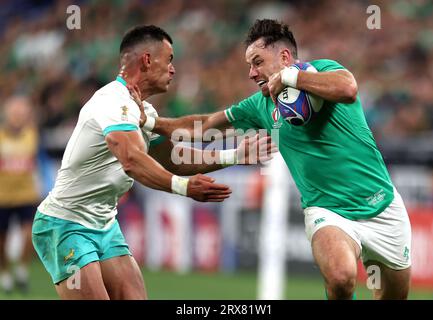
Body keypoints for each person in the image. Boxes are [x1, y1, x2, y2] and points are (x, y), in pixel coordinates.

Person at [147, 19, 412, 300]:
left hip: (383, 207)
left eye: (257, 62)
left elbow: (348, 89)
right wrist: (154, 123)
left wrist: (291, 78)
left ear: (284, 57)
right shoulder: (259, 106)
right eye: (249, 65)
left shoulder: (324, 70)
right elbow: (204, 124)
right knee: (340, 277)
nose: (251, 73)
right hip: (328, 211)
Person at [32, 25, 274, 300]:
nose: (173, 69)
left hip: (104, 224)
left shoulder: (143, 111)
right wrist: (184, 188)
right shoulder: (111, 102)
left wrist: (233, 156)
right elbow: (132, 160)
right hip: (64, 223)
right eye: (169, 59)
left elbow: (175, 158)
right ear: (147, 60)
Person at [0, 96, 40, 294]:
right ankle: (5, 273)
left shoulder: (32, 135)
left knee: (28, 234)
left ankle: (22, 269)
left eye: (21, 114)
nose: (17, 118)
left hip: (26, 195)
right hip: (3, 196)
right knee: (2, 240)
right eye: (14, 114)